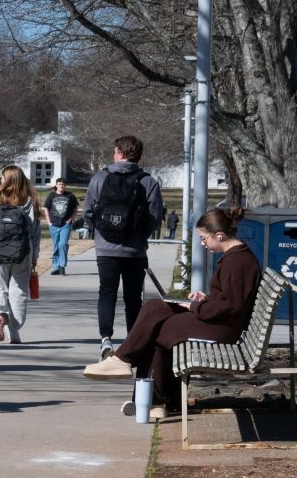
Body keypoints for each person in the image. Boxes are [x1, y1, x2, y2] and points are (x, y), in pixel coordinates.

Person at [82, 207, 261, 419]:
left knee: (159, 331)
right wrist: (204, 300)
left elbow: (230, 305)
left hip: (222, 329)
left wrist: (195, 307)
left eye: (204, 239)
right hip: (219, 321)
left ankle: (150, 396)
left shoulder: (237, 261)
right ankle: (132, 374)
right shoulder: (235, 258)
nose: (203, 244)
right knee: (155, 307)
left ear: (219, 235)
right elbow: (228, 300)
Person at [82, 135, 165, 359]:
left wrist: (101, 232)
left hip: (106, 249)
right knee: (133, 297)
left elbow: (88, 212)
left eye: (114, 151)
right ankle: (133, 342)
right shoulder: (148, 181)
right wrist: (139, 235)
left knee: (106, 293)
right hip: (135, 250)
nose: (113, 154)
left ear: (120, 153)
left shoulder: (100, 178)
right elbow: (155, 216)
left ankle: (106, 339)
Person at [0, 166, 42, 344]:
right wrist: (34, 256)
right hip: (23, 251)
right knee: (18, 291)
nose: (0, 180)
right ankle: (14, 332)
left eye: (2, 177)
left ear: (7, 179)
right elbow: (35, 233)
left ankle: (0, 312)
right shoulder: (30, 201)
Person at [43, 177, 78, 275]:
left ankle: (62, 266)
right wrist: (48, 221)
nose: (61, 185)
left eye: (63, 184)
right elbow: (46, 208)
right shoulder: (51, 195)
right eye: (59, 184)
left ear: (65, 186)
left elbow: (75, 208)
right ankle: (56, 267)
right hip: (53, 224)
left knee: (62, 244)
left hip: (65, 224)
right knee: (56, 246)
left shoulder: (70, 196)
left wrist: (70, 219)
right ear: (56, 185)